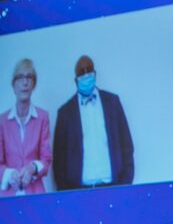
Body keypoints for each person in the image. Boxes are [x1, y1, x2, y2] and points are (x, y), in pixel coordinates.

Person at [53, 55, 134, 190]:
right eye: (81, 72)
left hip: (113, 188)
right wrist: (67, 192)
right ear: (75, 80)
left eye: (89, 70)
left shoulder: (113, 103)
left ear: (95, 74)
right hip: (79, 192)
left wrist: (124, 185)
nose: (86, 74)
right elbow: (59, 160)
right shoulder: (65, 113)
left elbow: (127, 145)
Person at [0, 58, 52, 196]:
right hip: (8, 197)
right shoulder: (2, 121)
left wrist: (32, 168)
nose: (25, 82)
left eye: (29, 77)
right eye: (20, 77)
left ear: (33, 84)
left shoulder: (42, 117)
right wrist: (10, 174)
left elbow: (46, 160)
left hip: (35, 195)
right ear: (14, 85)